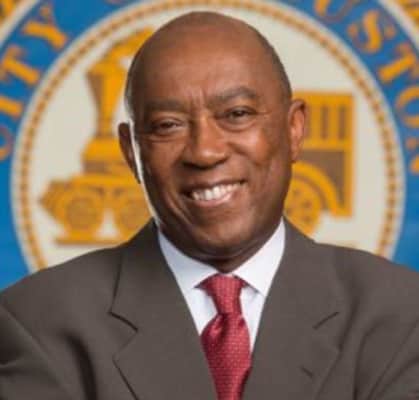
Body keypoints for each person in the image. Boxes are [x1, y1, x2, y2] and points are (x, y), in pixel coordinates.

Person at [1, 11, 419, 400]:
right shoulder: (39, 322)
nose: (204, 151)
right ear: (132, 153)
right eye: (168, 125)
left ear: (294, 129)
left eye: (236, 114)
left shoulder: (400, 314)